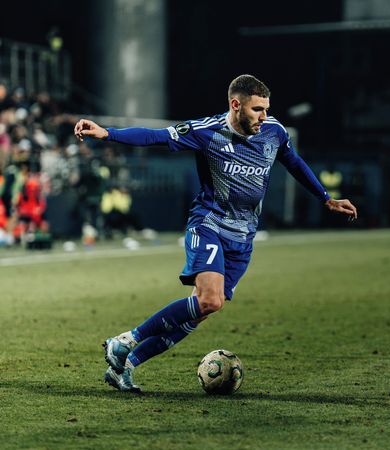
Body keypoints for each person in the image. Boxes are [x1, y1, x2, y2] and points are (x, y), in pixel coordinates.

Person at [74, 74, 358, 392]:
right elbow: (155, 136)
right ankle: (126, 340)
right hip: (209, 225)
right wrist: (107, 133)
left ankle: (125, 366)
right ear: (236, 105)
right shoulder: (206, 132)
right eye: (257, 109)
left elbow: (293, 162)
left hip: (244, 237)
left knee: (201, 310)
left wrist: (325, 198)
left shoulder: (274, 132)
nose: (264, 116)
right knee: (209, 300)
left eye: (266, 109)